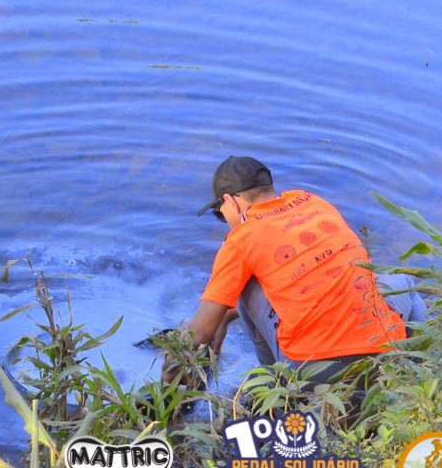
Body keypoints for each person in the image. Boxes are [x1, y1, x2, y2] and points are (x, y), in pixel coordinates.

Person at [163, 156, 426, 386]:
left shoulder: (241, 238)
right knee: (402, 285)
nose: (225, 222)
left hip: (312, 370)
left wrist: (170, 373)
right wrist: (225, 317)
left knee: (245, 286)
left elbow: (200, 333)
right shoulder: (314, 202)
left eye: (220, 214)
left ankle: (277, 385)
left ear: (231, 202)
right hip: (384, 351)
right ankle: (414, 371)